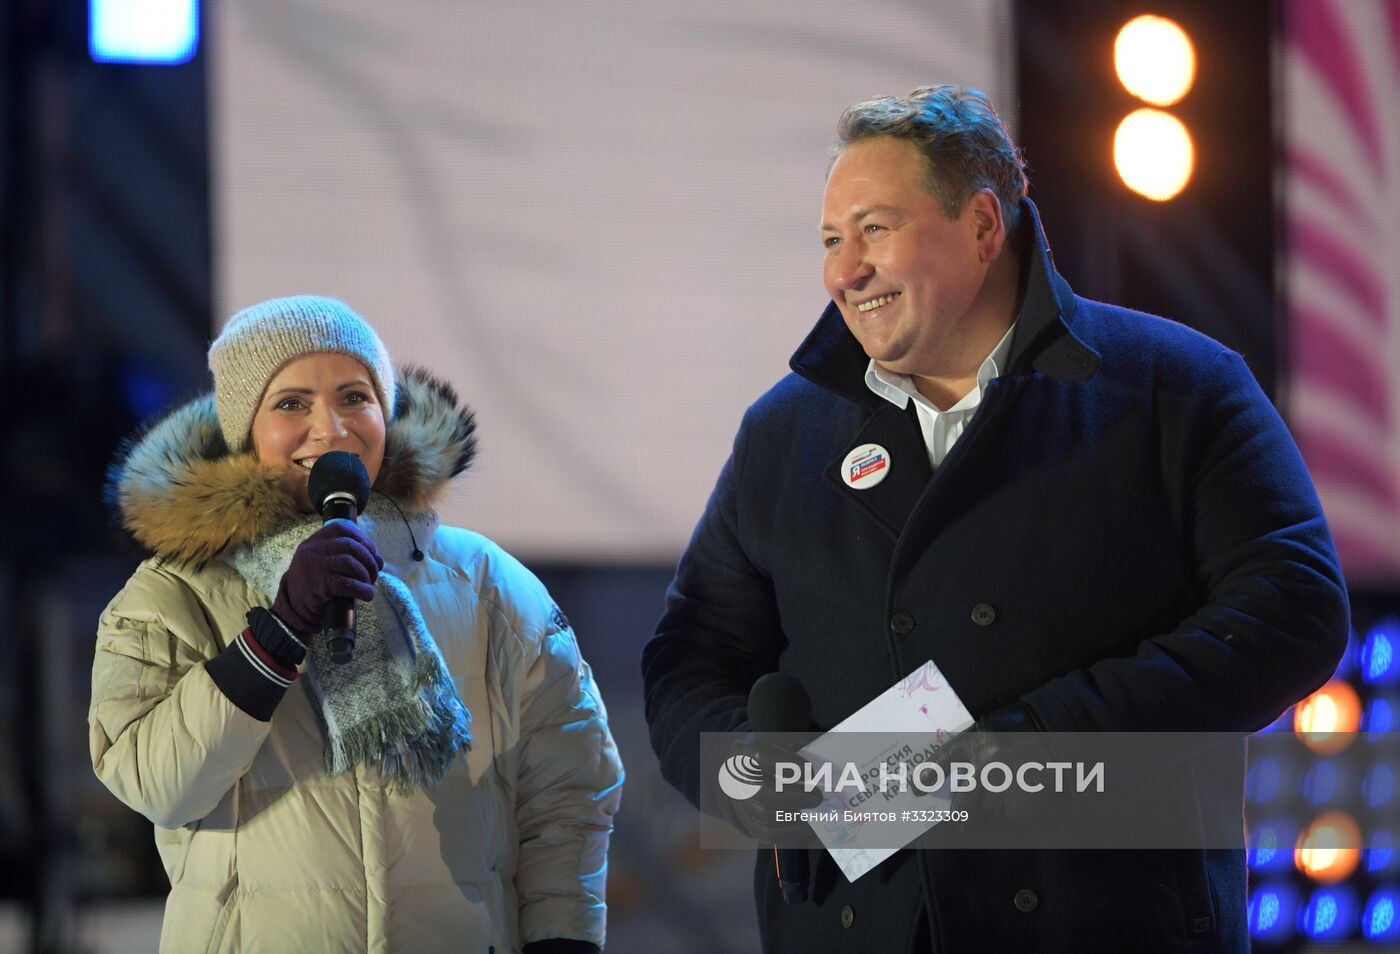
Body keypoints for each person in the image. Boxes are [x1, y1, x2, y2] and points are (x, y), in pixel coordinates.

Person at [641, 86, 1348, 952]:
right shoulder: (783, 432)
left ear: (982, 227)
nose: (842, 270)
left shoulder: (1176, 386)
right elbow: (691, 659)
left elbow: (1294, 612)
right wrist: (762, 783)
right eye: (831, 239)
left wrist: (1032, 751)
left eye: (874, 228)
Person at [91, 295, 623, 953]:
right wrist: (280, 629)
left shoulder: (487, 584)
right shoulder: (172, 593)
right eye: (291, 404)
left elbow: (569, 790)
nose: (331, 428)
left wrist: (561, 941)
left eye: (354, 397)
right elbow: (156, 785)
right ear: (242, 429)